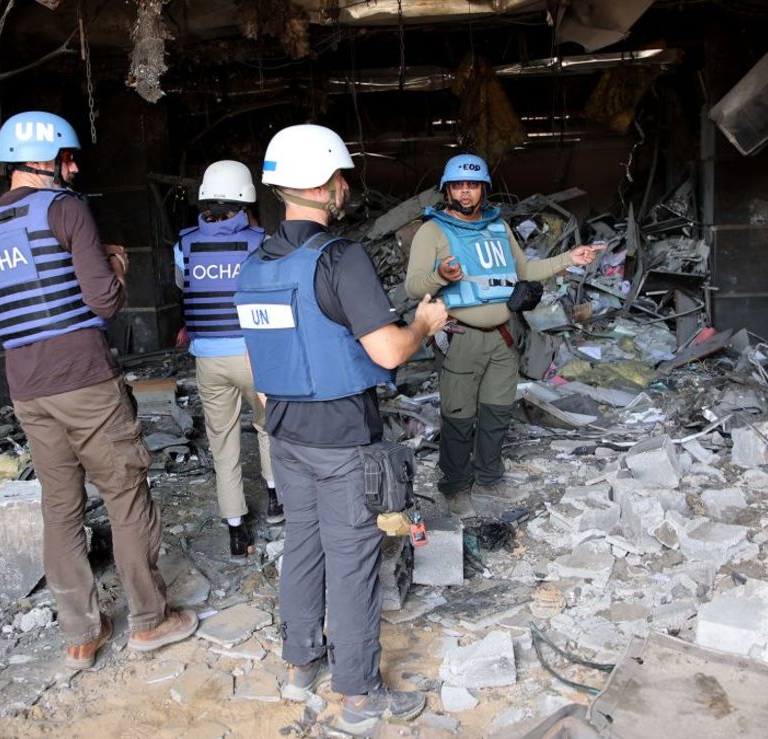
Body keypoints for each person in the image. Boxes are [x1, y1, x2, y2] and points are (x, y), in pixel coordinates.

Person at [0, 111, 198, 670]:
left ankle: (79, 635)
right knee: (124, 493)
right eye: (68, 157)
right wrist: (114, 264)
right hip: (86, 382)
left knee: (60, 507)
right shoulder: (65, 209)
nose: (75, 166)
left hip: (27, 389)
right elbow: (105, 303)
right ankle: (150, 620)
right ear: (43, 161)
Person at [234, 124, 448, 736]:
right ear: (329, 185)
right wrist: (426, 324)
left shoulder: (254, 265)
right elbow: (385, 352)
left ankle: (301, 662)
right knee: (352, 559)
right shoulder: (339, 256)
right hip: (340, 438)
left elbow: (261, 368)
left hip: (285, 435)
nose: (346, 187)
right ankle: (360, 694)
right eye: (342, 178)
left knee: (304, 545)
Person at [404, 153, 603, 519]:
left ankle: (489, 479)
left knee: (497, 412)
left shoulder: (498, 228)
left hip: (502, 336)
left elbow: (525, 268)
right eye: (459, 186)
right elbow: (414, 285)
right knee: (459, 417)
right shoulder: (432, 231)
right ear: (448, 190)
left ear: (483, 190)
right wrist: (441, 276)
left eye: (473, 185)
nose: (466, 193)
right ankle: (454, 487)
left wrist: (569, 258)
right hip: (460, 337)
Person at [174, 160, 282, 557]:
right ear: (245, 200)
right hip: (255, 355)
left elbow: (182, 286)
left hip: (209, 359)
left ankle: (236, 528)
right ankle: (275, 499)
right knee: (270, 426)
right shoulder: (261, 241)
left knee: (223, 443)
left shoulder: (184, 243)